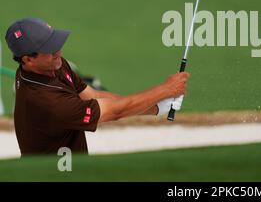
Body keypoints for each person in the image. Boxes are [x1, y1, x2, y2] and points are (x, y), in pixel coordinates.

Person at [4, 18, 189, 157]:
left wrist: (156, 108)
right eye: (50, 49)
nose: (58, 51)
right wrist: (166, 89)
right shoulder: (49, 103)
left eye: (56, 43)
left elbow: (95, 95)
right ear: (28, 59)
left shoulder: (52, 66)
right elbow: (114, 112)